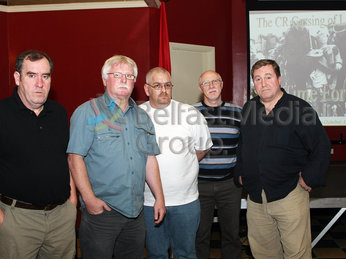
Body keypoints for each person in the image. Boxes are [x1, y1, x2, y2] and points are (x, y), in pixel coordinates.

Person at [67, 55, 165, 259]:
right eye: (117, 74)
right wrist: (89, 199)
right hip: (102, 213)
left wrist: (160, 198)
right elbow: (74, 158)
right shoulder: (86, 113)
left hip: (135, 214)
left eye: (129, 76)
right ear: (104, 80)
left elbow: (149, 160)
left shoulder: (142, 117)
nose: (124, 79)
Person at [234, 59, 331, 259]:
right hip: (255, 198)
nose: (263, 83)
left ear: (278, 79)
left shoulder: (299, 108)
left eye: (268, 77)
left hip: (289, 194)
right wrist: (240, 172)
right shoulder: (249, 108)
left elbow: (322, 145)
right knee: (263, 253)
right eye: (258, 79)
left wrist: (310, 177)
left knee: (297, 254)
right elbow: (242, 144)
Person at [0, 50, 77, 259]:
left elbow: (65, 158)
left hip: (61, 218)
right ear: (17, 78)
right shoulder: (2, 113)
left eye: (45, 76)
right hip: (17, 220)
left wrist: (72, 202)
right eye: (31, 75)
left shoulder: (59, 113)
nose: (40, 83)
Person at [139, 67, 212, 259]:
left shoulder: (191, 114)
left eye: (167, 85)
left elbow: (202, 149)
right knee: (156, 254)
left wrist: (182, 164)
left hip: (185, 202)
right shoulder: (136, 116)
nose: (163, 90)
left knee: (186, 254)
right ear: (147, 89)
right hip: (148, 202)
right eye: (157, 85)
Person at [193, 70, 243, 259]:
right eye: (206, 83)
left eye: (215, 81)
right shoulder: (189, 113)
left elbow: (244, 147)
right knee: (200, 235)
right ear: (200, 88)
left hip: (229, 185)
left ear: (222, 84)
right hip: (198, 185)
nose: (211, 86)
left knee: (231, 234)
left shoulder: (238, 112)